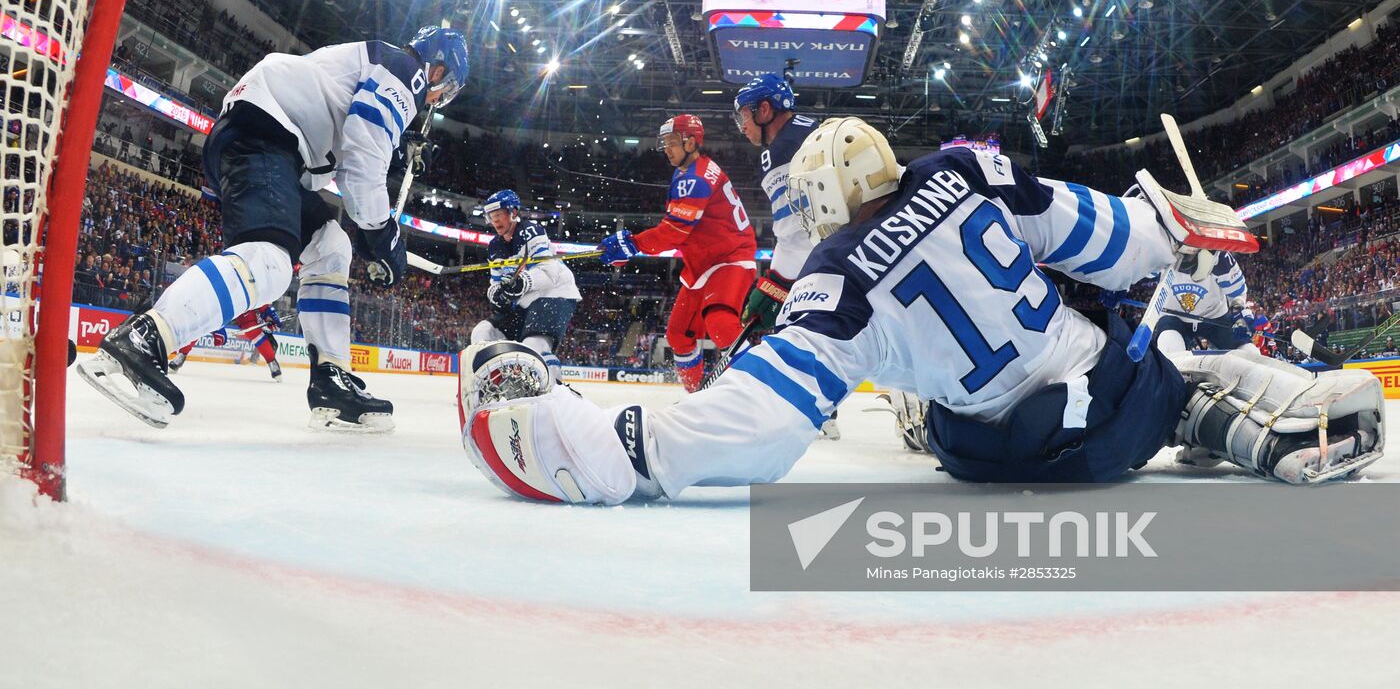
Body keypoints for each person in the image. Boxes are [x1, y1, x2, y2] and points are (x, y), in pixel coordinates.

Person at [462, 117, 1384, 504]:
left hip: (990, 456)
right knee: (1172, 368)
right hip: (1103, 407)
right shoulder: (966, 170)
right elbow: (1109, 242)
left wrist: (640, 448)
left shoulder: (834, 271)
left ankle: (1190, 401)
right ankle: (1256, 408)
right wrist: (1164, 222)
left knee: (917, 387)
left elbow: (771, 418)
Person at [79, 26, 470, 432]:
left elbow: (348, 150)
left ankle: (331, 380)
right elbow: (364, 151)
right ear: (438, 71)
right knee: (269, 261)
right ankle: (144, 337)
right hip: (266, 135)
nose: (437, 98)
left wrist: (371, 230)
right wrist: (382, 231)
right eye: (447, 88)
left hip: (273, 141)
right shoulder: (407, 70)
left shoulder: (373, 62)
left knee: (331, 245)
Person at [596, 114, 757, 392]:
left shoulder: (694, 179)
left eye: (671, 142)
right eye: (664, 143)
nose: (666, 149)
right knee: (678, 334)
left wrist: (632, 243)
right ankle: (696, 398)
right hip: (703, 262)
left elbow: (673, 233)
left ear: (691, 142)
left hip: (728, 258)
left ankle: (769, 389)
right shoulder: (687, 171)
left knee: (719, 322)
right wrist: (634, 244)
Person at [730, 73, 834, 437]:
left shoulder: (779, 150)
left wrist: (772, 286)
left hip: (838, 255)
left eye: (744, 114)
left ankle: (814, 412)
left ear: (764, 109)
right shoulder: (812, 127)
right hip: (869, 239)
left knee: (802, 325)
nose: (741, 125)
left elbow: (796, 232)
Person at [469, 189, 581, 385]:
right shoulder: (494, 246)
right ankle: (490, 385)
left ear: (513, 213)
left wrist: (522, 283)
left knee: (533, 345)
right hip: (526, 301)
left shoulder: (531, 231)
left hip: (555, 294)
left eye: (498, 216)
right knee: (482, 332)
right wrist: (497, 295)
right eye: (491, 217)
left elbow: (549, 273)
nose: (495, 222)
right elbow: (495, 283)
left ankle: (555, 391)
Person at [1152, 252, 1254, 353]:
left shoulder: (1221, 257)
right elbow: (1142, 271)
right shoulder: (1164, 247)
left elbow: (1237, 293)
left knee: (1248, 352)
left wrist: (1238, 315)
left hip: (1214, 317)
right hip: (1174, 317)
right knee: (1169, 344)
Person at [169, 304, 284, 382]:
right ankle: (182, 354)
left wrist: (267, 311)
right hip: (221, 302)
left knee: (252, 329)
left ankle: (271, 361)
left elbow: (257, 289)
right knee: (202, 322)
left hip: (243, 303)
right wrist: (218, 325)